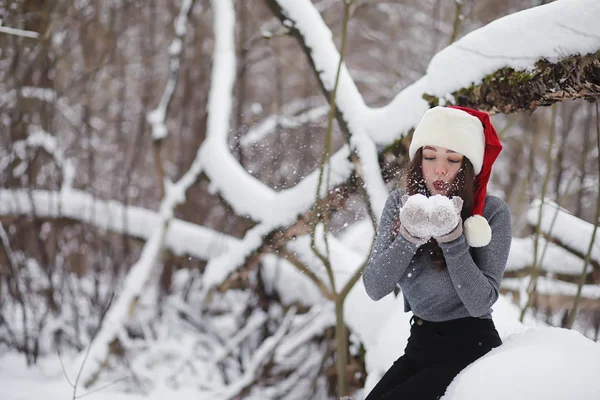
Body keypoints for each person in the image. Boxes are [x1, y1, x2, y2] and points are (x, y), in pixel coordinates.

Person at [362, 105, 512, 400]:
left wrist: (453, 240)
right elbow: (375, 287)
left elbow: (481, 302)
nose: (439, 168)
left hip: (470, 349)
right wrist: (408, 236)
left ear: (468, 165)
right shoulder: (399, 205)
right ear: (418, 161)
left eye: (452, 159)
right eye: (430, 156)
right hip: (419, 345)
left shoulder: (491, 214)